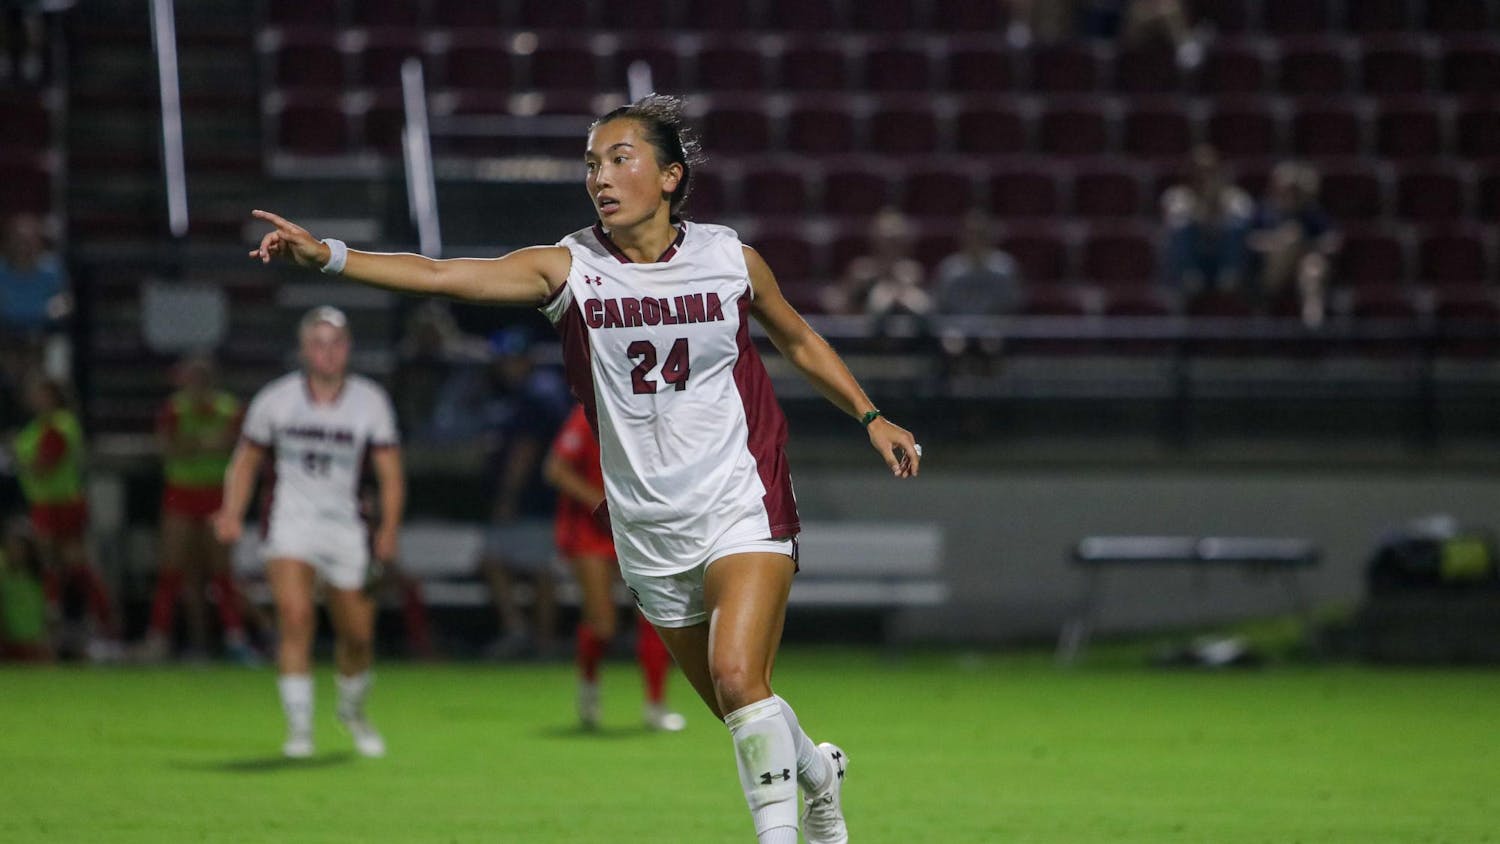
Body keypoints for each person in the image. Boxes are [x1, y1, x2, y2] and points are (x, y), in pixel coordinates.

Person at [249, 94, 922, 843]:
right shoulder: (570, 269)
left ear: (670, 177)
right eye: (591, 164)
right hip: (647, 524)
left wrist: (871, 415)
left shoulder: (731, 257)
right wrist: (331, 257)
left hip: (744, 497)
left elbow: (797, 339)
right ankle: (821, 774)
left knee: (739, 678)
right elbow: (441, 275)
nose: (600, 176)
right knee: (741, 706)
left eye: (619, 158)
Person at [213, 307, 405, 759]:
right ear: (303, 350)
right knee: (295, 619)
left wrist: (390, 529)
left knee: (357, 636)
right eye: (318, 343)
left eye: (336, 342)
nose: (327, 352)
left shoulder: (370, 402)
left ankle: (352, 710)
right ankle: (299, 730)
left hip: (346, 528)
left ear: (348, 349)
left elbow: (390, 474)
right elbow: (247, 461)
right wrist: (231, 511)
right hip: (290, 523)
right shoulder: (276, 400)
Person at [546, 403, 685, 732]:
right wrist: (601, 503)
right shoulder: (589, 413)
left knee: (655, 615)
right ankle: (589, 686)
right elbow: (556, 468)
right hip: (591, 531)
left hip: (639, 528)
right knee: (602, 624)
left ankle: (656, 705)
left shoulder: (656, 416)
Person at [139, 356, 256, 663]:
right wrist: (207, 443)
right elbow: (171, 446)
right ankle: (162, 638)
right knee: (174, 571)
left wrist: (194, 444)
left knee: (220, 572)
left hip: (218, 495)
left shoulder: (228, 408)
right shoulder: (175, 409)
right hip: (182, 494)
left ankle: (235, 639)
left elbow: (236, 446)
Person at [467, 329, 571, 659]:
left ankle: (538, 639)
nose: (507, 366)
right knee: (504, 563)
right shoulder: (518, 392)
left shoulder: (536, 392)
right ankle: (527, 633)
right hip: (534, 498)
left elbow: (525, 450)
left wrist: (508, 497)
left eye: (513, 359)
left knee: (537, 570)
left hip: (532, 498)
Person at [10, 376, 118, 660]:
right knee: (55, 566)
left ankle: (103, 627)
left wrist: (16, 458)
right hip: (45, 503)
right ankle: (60, 625)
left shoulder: (59, 424)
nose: (34, 399)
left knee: (72, 565)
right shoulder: (36, 427)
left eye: (40, 393)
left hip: (62, 503)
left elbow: (45, 464)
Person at [1247, 161, 1339, 328]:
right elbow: (1250, 241)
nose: (1288, 193)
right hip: (1270, 271)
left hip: (1301, 270)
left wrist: (1302, 246)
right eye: (1283, 188)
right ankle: (1262, 304)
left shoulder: (1310, 212)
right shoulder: (1264, 211)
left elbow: (1332, 242)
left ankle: (1313, 323)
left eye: (1293, 189)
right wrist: (1279, 242)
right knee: (1290, 238)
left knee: (1313, 266)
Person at [1161, 144, 1253, 296]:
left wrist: (1216, 202)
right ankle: (1189, 278)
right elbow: (1173, 220)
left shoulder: (1234, 196)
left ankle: (1230, 278)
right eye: (1198, 171)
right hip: (1193, 257)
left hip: (1222, 254)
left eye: (1209, 171)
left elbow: (1245, 218)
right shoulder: (1177, 195)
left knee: (1236, 228)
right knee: (1181, 227)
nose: (1204, 177)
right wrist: (1203, 208)